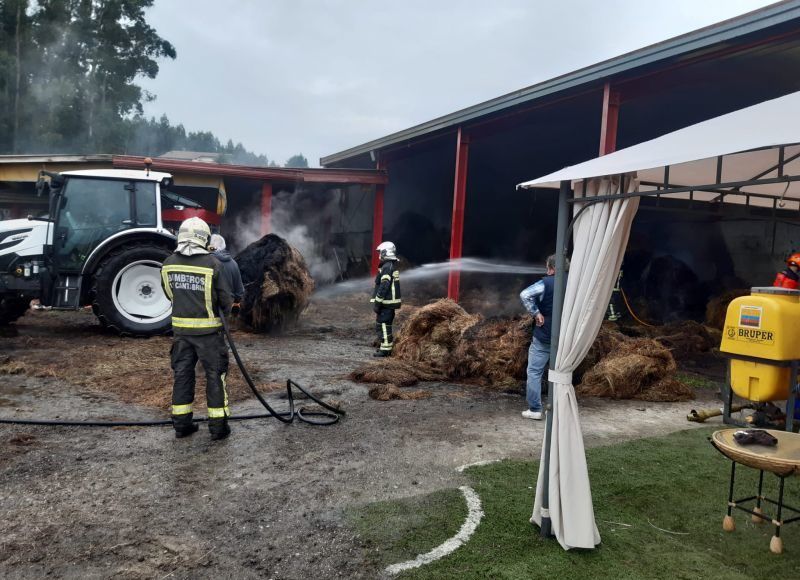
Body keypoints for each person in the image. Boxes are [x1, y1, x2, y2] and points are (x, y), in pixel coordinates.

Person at [161, 217, 233, 440]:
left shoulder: (168, 263)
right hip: (210, 335)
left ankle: (182, 425)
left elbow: (169, 294)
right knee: (215, 375)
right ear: (204, 238)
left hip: (181, 334)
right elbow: (226, 301)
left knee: (182, 375)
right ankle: (218, 428)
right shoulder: (213, 265)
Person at [519, 254, 564, 420]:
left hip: (544, 336)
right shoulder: (576, 284)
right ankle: (561, 409)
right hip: (567, 337)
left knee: (534, 372)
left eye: (547, 266)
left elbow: (525, 295)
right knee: (562, 372)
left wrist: (536, 313)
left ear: (552, 268)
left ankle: (535, 409)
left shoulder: (546, 283)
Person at [370, 241, 402, 357]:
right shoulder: (390, 265)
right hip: (389, 304)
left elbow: (384, 285)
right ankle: (385, 348)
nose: (379, 255)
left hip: (386, 303)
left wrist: (377, 302)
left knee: (382, 325)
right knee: (386, 326)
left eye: (381, 253)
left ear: (385, 253)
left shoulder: (387, 267)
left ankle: (385, 350)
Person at [209, 233, 244, 314]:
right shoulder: (233, 264)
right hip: (227, 312)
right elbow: (239, 292)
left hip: (208, 311)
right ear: (224, 247)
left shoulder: (206, 262)